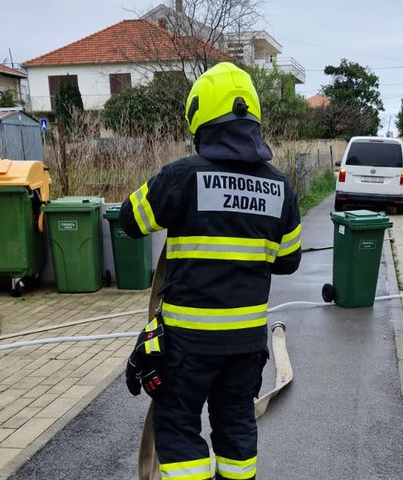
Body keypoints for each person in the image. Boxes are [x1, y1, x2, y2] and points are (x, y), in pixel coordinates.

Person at [120, 62, 302, 480]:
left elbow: (131, 220)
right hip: (246, 345)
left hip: (186, 346)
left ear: (200, 117)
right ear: (252, 117)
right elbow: (288, 260)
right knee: (237, 425)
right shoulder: (281, 188)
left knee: (180, 428)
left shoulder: (183, 176)